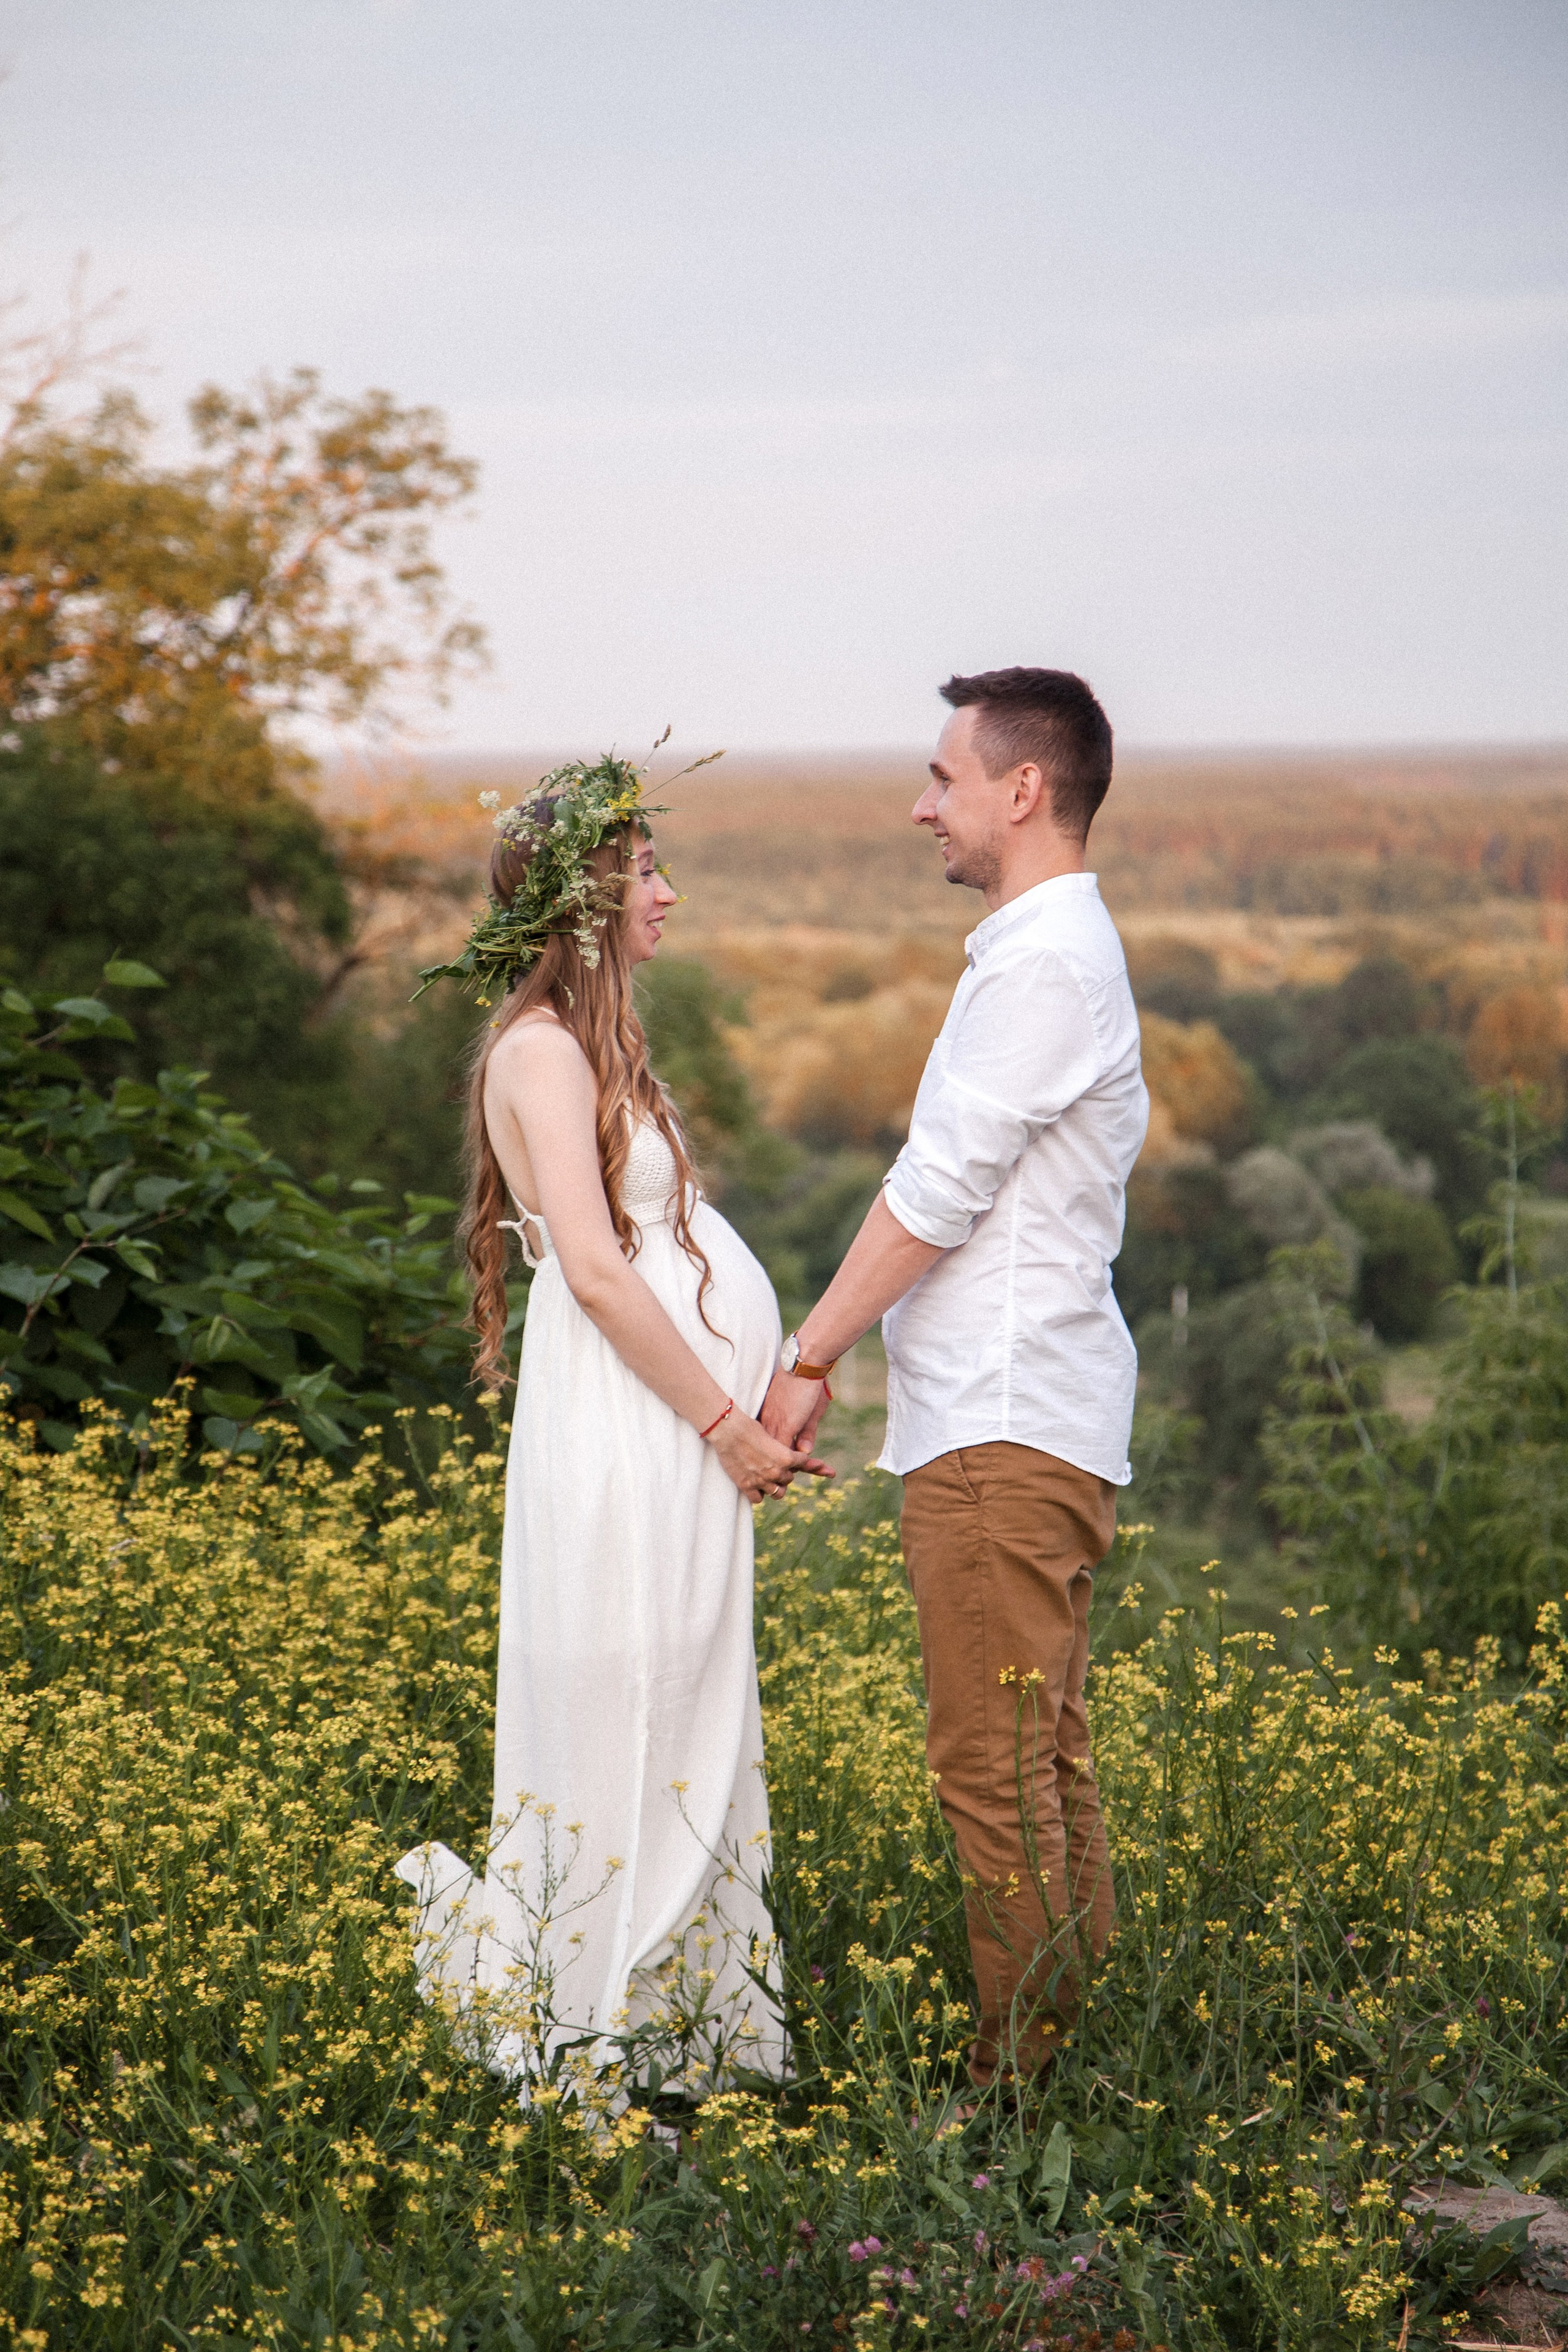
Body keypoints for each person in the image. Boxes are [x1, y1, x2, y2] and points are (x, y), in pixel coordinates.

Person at [397, 754, 823, 2093]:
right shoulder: (536, 1050)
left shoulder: (593, 1045)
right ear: (585, 901)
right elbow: (591, 1269)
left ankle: (683, 2026)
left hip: (667, 1428)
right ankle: (586, 2024)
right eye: (645, 873)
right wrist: (724, 1422)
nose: (668, 894)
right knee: (626, 1693)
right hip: (631, 1426)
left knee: (687, 1698)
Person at [762, 668, 1148, 2091]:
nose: (921, 807)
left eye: (943, 777)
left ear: (1022, 789)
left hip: (999, 1428)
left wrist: (809, 1356)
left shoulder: (1042, 966)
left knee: (993, 1770)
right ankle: (1078, 2073)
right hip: (1025, 1418)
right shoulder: (1042, 954)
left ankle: (1016, 2096)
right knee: (1039, 1761)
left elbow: (933, 1193)